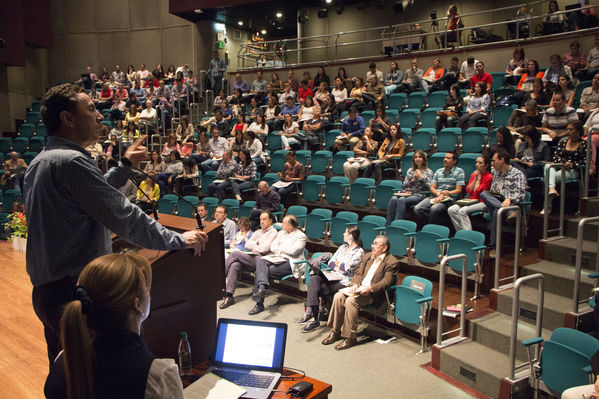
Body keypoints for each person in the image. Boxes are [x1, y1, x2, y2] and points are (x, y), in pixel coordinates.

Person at [24, 84, 206, 364]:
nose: (100, 116)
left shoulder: (41, 162)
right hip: (75, 291)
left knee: (68, 378)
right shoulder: (71, 162)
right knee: (97, 380)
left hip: (49, 291)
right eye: (91, 109)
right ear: (68, 119)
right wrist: (178, 239)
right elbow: (123, 215)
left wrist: (122, 167)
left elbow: (90, 199)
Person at [44, 253, 185, 399]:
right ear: (138, 305)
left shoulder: (63, 361)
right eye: (146, 288)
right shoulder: (159, 377)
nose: (149, 293)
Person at [321, 235, 398, 350]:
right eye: (373, 243)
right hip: (359, 289)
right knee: (338, 296)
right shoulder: (367, 256)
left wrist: (370, 288)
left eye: (376, 244)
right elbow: (358, 273)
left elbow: (386, 282)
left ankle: (350, 338)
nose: (373, 246)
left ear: (385, 247)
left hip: (373, 294)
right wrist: (355, 284)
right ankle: (335, 331)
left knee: (351, 301)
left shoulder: (392, 262)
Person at [299, 226, 365, 333]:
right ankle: (313, 317)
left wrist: (338, 265)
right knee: (314, 279)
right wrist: (339, 265)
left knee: (315, 288)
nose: (343, 234)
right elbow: (331, 263)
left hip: (344, 281)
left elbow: (347, 268)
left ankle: (311, 314)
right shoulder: (342, 247)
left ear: (351, 236)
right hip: (332, 277)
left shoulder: (359, 252)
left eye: (345, 232)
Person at [249, 215, 307, 315]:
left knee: (263, 271)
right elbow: (272, 247)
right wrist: (283, 248)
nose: (281, 225)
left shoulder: (301, 236)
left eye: (284, 223)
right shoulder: (281, 233)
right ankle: (262, 289)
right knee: (261, 261)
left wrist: (280, 247)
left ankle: (259, 303)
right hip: (277, 258)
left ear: (290, 225)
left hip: (290, 262)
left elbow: (293, 252)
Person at [220, 211, 279, 309]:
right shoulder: (258, 232)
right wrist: (257, 245)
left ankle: (219, 279)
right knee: (235, 265)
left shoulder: (273, 233)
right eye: (260, 219)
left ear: (270, 221)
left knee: (235, 254)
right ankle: (229, 296)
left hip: (262, 260)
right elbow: (247, 244)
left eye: (264, 219)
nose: (262, 222)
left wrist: (255, 245)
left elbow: (264, 249)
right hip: (251, 257)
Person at [480, 149, 526, 258]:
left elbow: (521, 194)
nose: (492, 163)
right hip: (498, 202)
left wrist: (509, 199)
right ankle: (510, 211)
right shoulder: (496, 172)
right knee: (484, 194)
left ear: (502, 160)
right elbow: (492, 190)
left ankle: (493, 247)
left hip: (512, 202)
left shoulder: (517, 174)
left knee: (497, 212)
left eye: (494, 161)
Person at [542, 121, 587, 214]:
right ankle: (551, 189)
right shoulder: (563, 142)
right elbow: (555, 157)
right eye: (567, 129)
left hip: (573, 170)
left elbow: (585, 161)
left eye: (571, 129)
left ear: (578, 131)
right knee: (548, 166)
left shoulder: (584, 144)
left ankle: (547, 206)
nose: (568, 131)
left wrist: (571, 164)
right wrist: (564, 163)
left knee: (549, 177)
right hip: (560, 167)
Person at [414, 152, 465, 226]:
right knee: (417, 209)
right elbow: (432, 187)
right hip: (435, 196)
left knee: (434, 209)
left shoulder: (459, 171)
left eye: (448, 158)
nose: (445, 159)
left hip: (449, 199)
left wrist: (447, 193)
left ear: (454, 161)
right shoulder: (438, 171)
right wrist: (438, 194)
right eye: (444, 157)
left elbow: (459, 190)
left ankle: (431, 228)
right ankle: (432, 225)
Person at [386, 150, 433, 225]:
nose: (417, 159)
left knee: (401, 200)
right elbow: (404, 186)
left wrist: (421, 178)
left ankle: (397, 225)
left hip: (420, 195)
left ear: (423, 159)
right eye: (415, 157)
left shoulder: (428, 172)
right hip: (408, 193)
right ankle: (388, 224)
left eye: (419, 157)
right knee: (393, 198)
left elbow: (430, 187)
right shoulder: (410, 170)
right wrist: (412, 180)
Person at [447, 155, 492, 231]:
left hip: (482, 202)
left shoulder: (489, 177)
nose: (477, 164)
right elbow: (469, 190)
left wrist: (478, 179)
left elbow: (477, 191)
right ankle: (461, 233)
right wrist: (475, 179)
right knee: (451, 209)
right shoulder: (474, 174)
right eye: (476, 162)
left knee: (462, 211)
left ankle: (468, 235)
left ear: (486, 165)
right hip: (471, 200)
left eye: (480, 163)